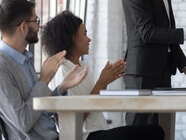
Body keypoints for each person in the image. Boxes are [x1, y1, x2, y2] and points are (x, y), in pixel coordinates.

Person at [42, 10, 165, 140]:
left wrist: (105, 81)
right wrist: (102, 82)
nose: (89, 39)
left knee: (156, 130)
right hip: (83, 137)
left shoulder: (83, 66)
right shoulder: (63, 71)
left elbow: (93, 102)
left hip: (99, 131)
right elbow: (75, 120)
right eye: (84, 34)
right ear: (71, 37)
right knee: (155, 132)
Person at [0, 0, 88, 139]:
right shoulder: (2, 67)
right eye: (36, 20)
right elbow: (23, 121)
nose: (38, 26)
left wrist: (62, 88)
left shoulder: (25, 59)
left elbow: (40, 109)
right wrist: (44, 80)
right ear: (23, 27)